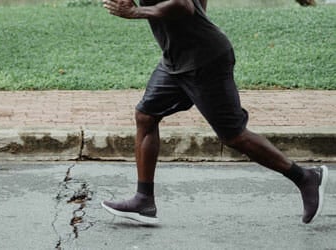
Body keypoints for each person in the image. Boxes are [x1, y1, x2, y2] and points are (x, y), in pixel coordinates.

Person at [101, 0, 328, 225]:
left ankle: (306, 178)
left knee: (234, 136)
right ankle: (144, 200)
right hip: (176, 61)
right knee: (145, 116)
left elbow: (183, 5)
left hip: (205, 61)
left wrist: (135, 12)